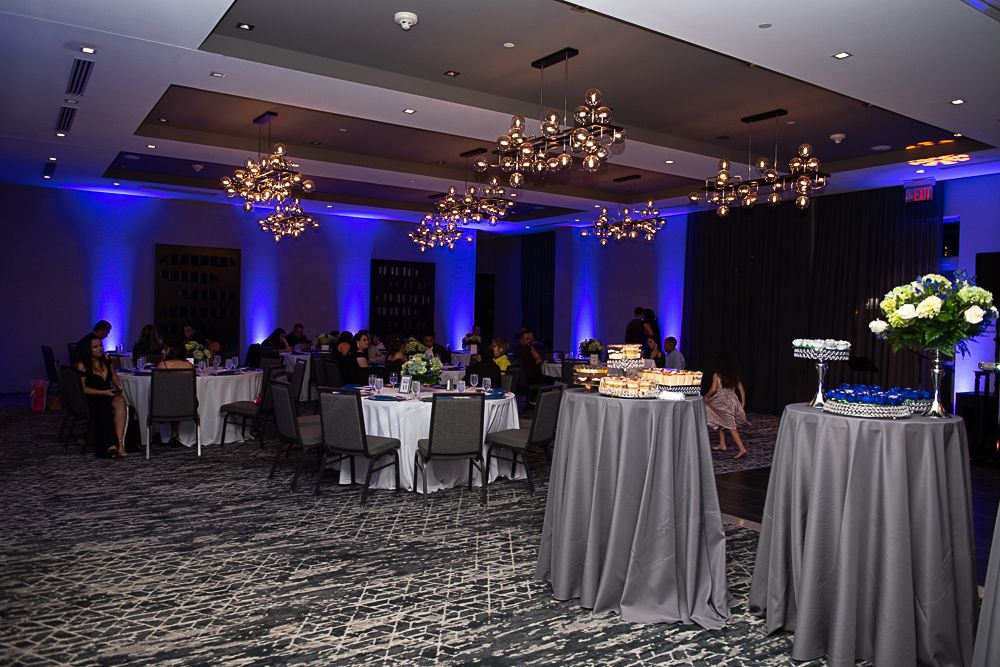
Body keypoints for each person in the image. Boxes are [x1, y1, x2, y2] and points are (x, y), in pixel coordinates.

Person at [76, 334, 128, 458]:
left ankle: (120, 444)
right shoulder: (82, 365)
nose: (99, 348)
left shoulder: (106, 358)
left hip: (107, 393)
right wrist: (103, 393)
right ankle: (109, 445)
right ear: (87, 349)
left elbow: (113, 374)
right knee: (104, 407)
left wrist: (118, 384)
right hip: (93, 397)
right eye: (95, 347)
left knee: (121, 401)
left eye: (100, 345)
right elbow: (83, 389)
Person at [704, 353, 749, 459]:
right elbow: (741, 389)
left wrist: (706, 396)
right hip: (731, 402)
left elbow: (713, 389)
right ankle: (722, 444)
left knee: (731, 426)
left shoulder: (717, 375)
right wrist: (742, 402)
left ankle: (742, 449)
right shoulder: (734, 375)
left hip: (721, 403)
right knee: (720, 420)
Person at [155, 337, 195, 447]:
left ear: (171, 350)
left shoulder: (163, 365)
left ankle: (161, 434)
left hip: (164, 407)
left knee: (171, 398)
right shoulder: (189, 365)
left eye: (165, 349)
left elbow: (159, 390)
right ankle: (174, 434)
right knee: (176, 398)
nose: (162, 351)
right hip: (187, 406)